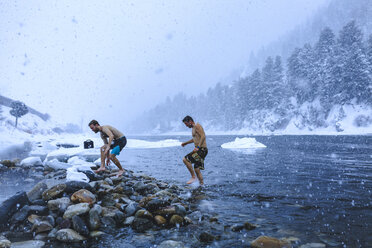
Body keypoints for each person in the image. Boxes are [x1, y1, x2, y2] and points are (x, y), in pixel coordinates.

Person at [181, 115, 208, 185]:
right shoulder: (193, 128)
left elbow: (203, 136)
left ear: (190, 121)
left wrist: (198, 147)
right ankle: (201, 185)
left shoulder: (197, 126)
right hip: (201, 150)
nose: (186, 126)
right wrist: (186, 143)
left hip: (202, 150)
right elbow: (195, 139)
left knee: (185, 159)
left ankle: (193, 177)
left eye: (186, 124)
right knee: (196, 168)